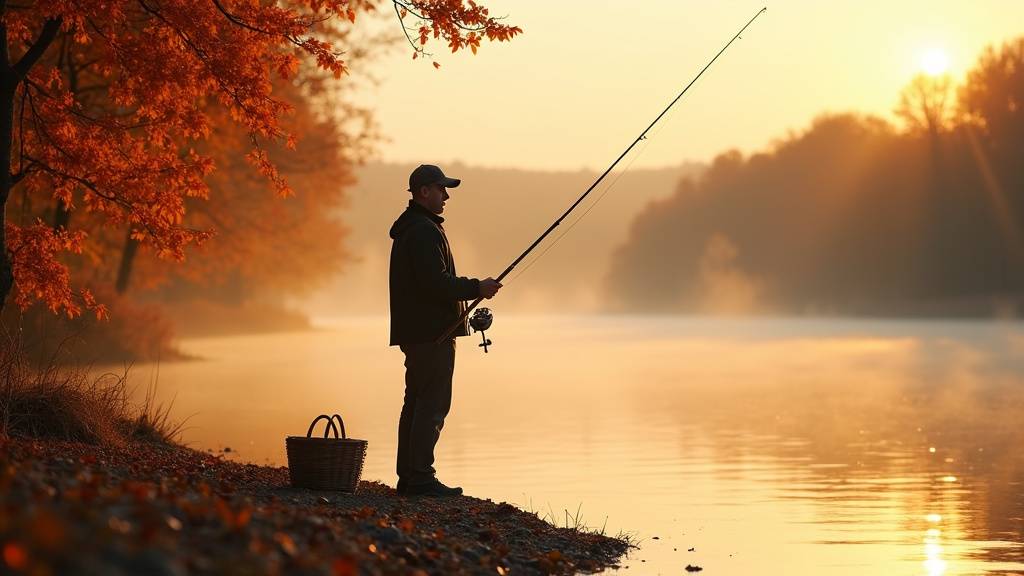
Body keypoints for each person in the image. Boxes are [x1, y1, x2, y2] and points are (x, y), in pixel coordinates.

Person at [388, 164, 501, 497]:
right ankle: (420, 477)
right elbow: (434, 283)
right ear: (424, 191)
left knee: (416, 401)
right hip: (430, 333)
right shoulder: (422, 230)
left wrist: (472, 289)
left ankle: (410, 476)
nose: (446, 196)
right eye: (442, 189)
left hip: (418, 331)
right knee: (432, 404)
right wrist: (476, 286)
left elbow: (429, 282)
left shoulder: (415, 227)